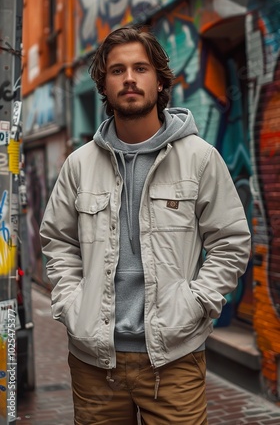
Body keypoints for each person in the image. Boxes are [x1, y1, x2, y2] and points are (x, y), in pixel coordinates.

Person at [40, 26, 251, 425]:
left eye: (141, 68)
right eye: (118, 70)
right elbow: (57, 240)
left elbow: (230, 241)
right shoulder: (79, 165)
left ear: (159, 79)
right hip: (94, 361)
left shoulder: (200, 158)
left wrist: (198, 302)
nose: (130, 79)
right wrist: (71, 303)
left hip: (173, 359)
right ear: (104, 83)